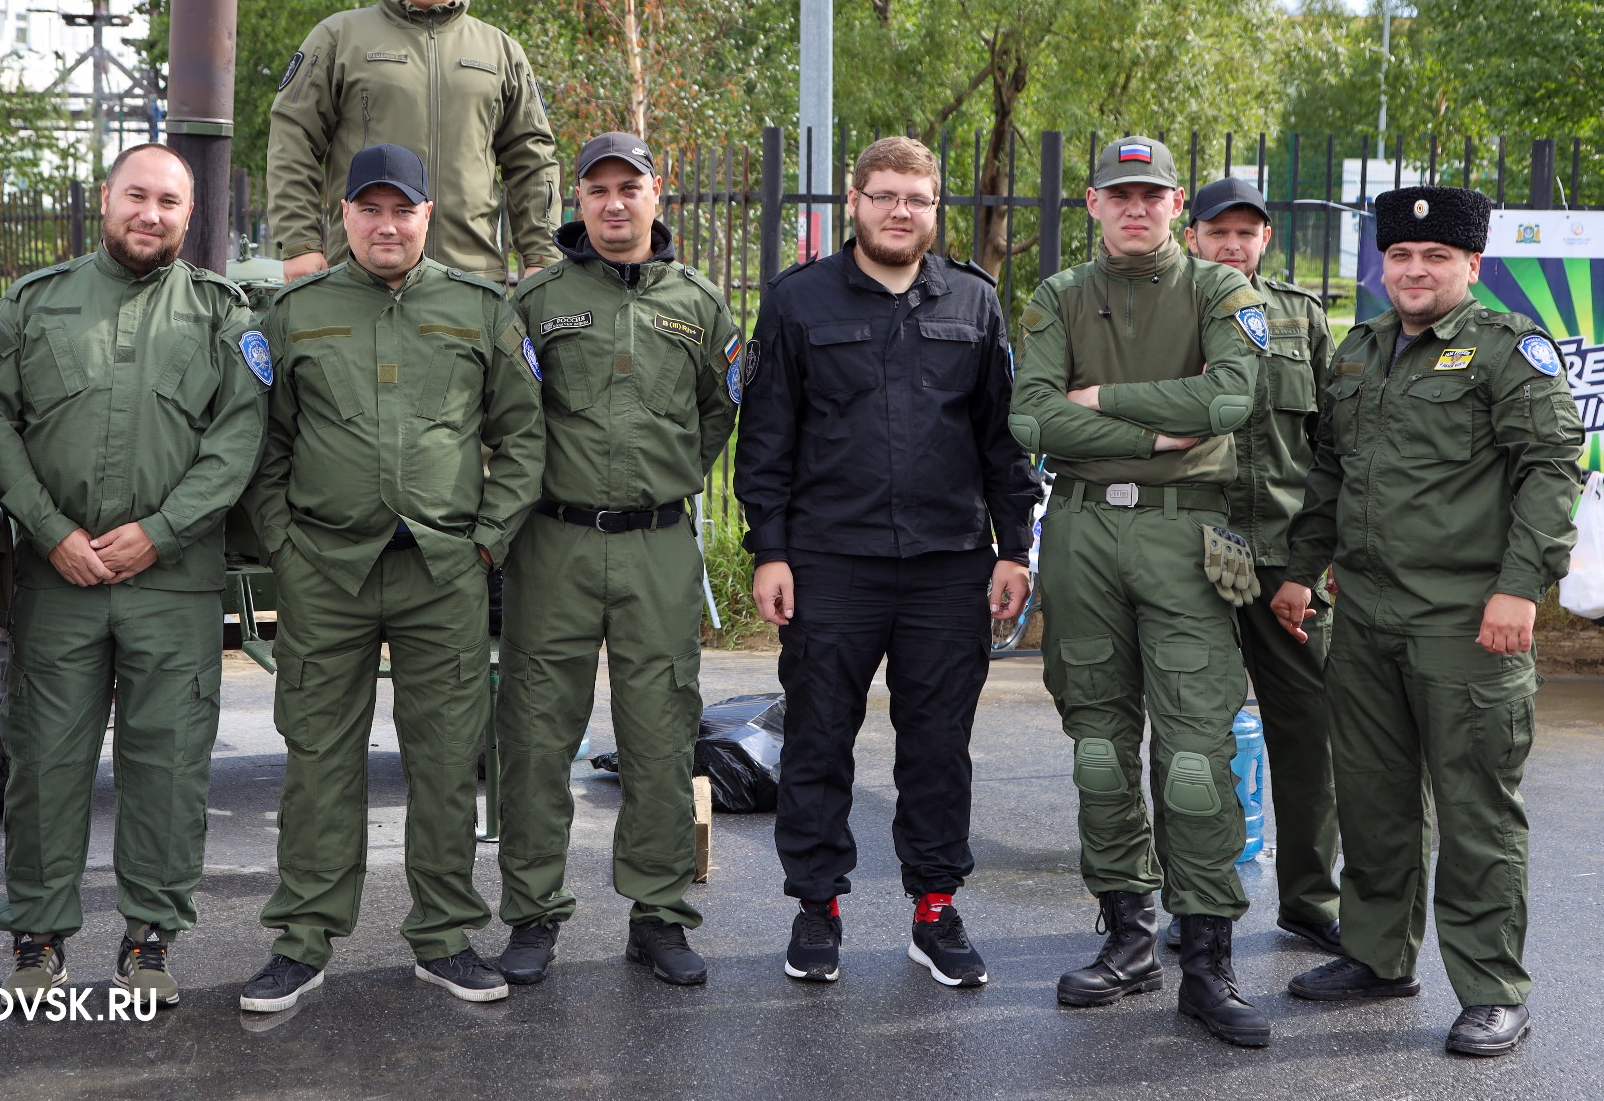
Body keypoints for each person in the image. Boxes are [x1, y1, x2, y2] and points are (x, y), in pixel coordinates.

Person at [1273, 185, 1582, 1057]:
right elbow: (1329, 472)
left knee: (1476, 809)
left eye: (1436, 256)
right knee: (1373, 799)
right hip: (1365, 615)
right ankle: (1378, 956)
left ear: (1471, 265)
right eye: (1401, 256)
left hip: (1467, 623)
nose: (1415, 270)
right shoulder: (1361, 349)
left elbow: (1551, 469)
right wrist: (1300, 573)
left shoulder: (1508, 349)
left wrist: (1521, 588)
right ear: (1383, 264)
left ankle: (1492, 988)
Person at [237, 143, 545, 1011]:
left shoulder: (480, 309)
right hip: (325, 571)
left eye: (401, 209)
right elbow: (264, 444)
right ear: (343, 216)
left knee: (445, 762)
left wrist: (486, 543)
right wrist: (286, 548)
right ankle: (302, 941)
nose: (385, 225)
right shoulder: (294, 313)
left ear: (426, 215)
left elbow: (524, 438)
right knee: (318, 761)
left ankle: (444, 937)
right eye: (368, 209)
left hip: (443, 570)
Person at [733, 136, 1041, 990]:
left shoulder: (974, 302)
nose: (900, 211)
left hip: (948, 564)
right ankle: (816, 909)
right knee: (818, 739)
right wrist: (770, 550)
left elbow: (1003, 440)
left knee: (938, 746)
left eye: (917, 198)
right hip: (831, 561)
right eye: (884, 196)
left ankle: (935, 910)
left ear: (935, 208)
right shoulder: (798, 300)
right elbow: (766, 438)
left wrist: (1014, 547)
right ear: (854, 201)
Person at [0, 143, 269, 1008]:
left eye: (169, 202)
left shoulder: (222, 314)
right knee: (45, 763)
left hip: (171, 583)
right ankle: (37, 938)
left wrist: (161, 532)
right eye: (137, 195)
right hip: (56, 579)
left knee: (168, 767)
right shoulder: (35, 303)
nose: (151, 214)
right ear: (107, 199)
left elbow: (238, 439)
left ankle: (149, 940)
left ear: (189, 216)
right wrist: (49, 529)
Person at [1009, 136, 1272, 1047]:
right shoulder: (1058, 296)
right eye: (1119, 194)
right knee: (1099, 747)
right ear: (1092, 203)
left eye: (1151, 194)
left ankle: (1207, 956)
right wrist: (1158, 427)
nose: (1135, 208)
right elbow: (1029, 415)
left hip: (1189, 533)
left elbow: (1228, 402)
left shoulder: (1220, 291)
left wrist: (1098, 404)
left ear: (1174, 205)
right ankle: (1127, 935)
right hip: (1082, 533)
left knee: (1196, 756)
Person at [492, 132, 740, 988]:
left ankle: (659, 916)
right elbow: (508, 415)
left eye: (628, 187)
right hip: (552, 543)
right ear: (579, 203)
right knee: (535, 735)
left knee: (661, 735)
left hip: (656, 547)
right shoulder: (536, 301)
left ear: (655, 194)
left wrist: (658, 482)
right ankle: (533, 915)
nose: (613, 203)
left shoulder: (700, 303)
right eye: (597, 190)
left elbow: (718, 413)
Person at [1172, 177, 1342, 956]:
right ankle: (1196, 904)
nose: (1233, 245)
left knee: (1309, 732)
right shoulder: (1163, 314)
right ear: (1192, 238)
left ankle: (1310, 901)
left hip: (1283, 560)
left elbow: (1336, 447)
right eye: (1219, 232)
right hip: (1190, 553)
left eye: (1247, 233)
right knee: (1193, 737)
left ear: (1265, 239)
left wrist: (1315, 562)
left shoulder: (1301, 318)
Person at [266, 0, 561, 285]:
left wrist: (542, 255)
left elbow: (533, 159)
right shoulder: (338, 37)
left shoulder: (501, 51)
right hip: (361, 277)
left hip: (470, 280)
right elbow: (293, 138)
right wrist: (300, 243)